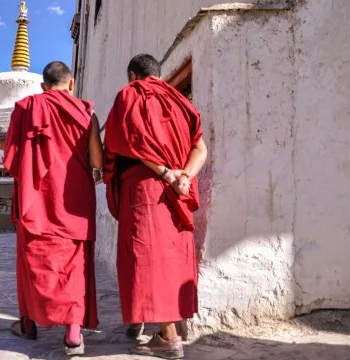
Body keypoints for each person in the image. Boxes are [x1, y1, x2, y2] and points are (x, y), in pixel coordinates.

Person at [103, 54, 207, 359]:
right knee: (171, 257)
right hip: (178, 190)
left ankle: (168, 337)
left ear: (133, 76)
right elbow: (200, 148)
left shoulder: (130, 94)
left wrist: (165, 173)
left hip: (146, 189)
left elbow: (130, 142)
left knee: (148, 259)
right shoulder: (182, 102)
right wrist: (184, 176)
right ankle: (143, 321)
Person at [4, 61, 103, 356]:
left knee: (34, 263)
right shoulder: (86, 113)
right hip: (75, 204)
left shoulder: (26, 109)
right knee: (73, 267)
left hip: (37, 201)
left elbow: (12, 160)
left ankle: (29, 324)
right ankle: (73, 335)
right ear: (71, 84)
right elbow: (97, 162)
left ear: (43, 86)